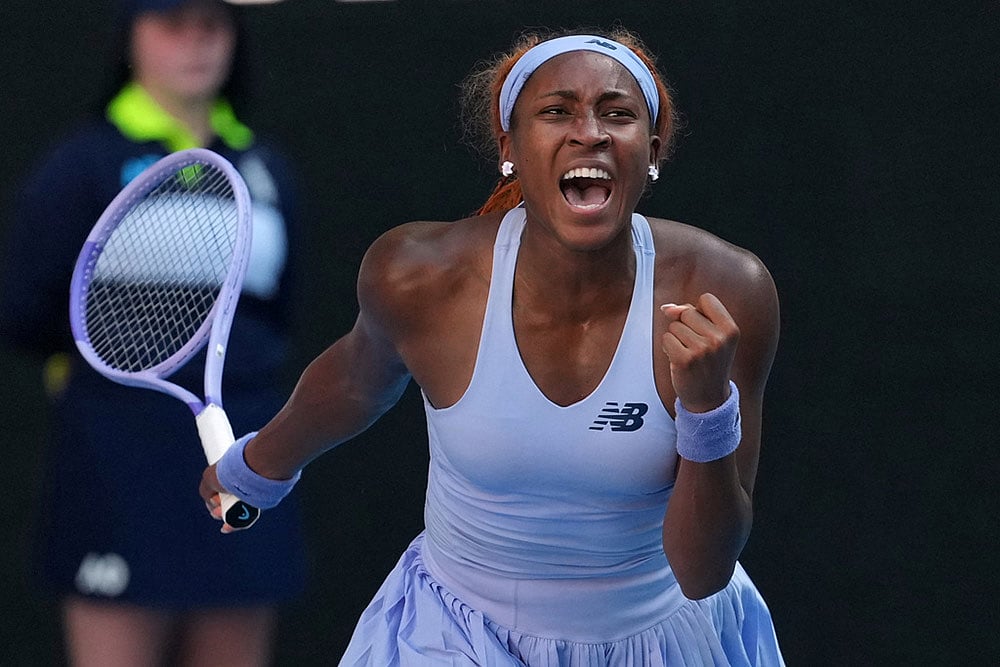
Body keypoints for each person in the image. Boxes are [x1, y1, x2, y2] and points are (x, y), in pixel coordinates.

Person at [201, 27, 785, 665]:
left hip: (654, 638)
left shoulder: (728, 290)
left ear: (651, 149)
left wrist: (705, 410)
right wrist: (253, 467)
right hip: (450, 635)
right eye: (556, 111)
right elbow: (354, 382)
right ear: (510, 146)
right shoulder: (418, 275)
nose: (589, 131)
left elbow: (702, 573)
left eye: (617, 114)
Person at [0, 1, 307, 665]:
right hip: (116, 455)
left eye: (212, 26)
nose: (195, 43)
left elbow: (280, 307)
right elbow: (24, 308)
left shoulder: (266, 168)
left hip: (244, 444)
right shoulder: (80, 163)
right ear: (130, 39)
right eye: (172, 25)